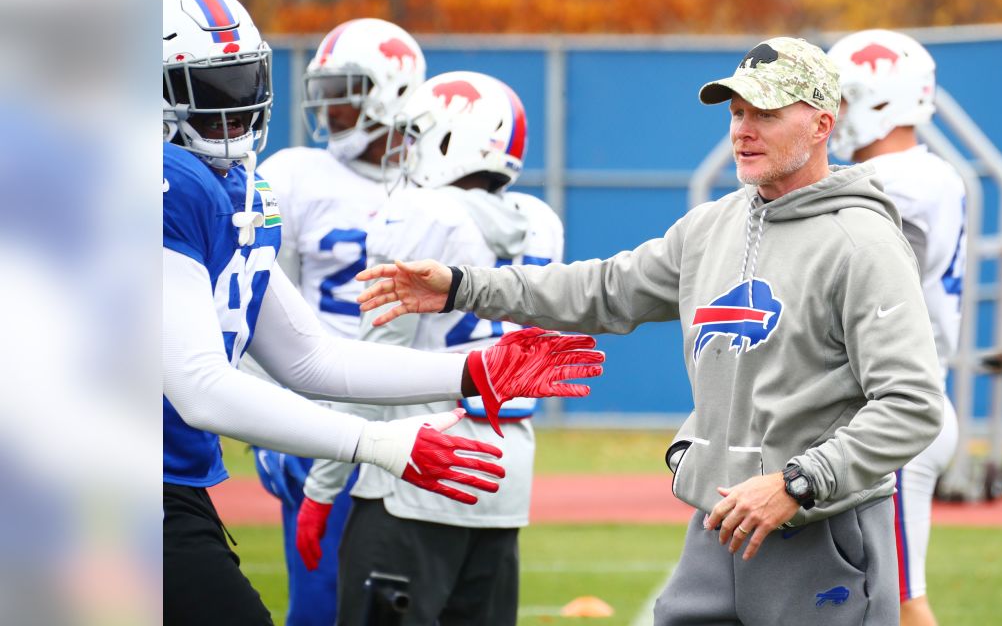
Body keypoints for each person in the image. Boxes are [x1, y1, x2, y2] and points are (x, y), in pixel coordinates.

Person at [355, 36, 946, 625]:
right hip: (717, 529)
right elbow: (603, 289)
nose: (742, 129)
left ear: (822, 124)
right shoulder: (711, 227)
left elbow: (913, 404)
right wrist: (462, 286)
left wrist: (797, 484)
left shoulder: (862, 242)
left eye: (765, 113)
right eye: (737, 112)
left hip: (821, 537)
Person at [161, 0, 604, 625]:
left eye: (241, 84)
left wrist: (471, 371)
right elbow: (201, 386)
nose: (232, 112)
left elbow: (310, 357)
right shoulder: (163, 180)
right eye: (206, 90)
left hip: (173, 480)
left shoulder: (244, 191)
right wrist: (376, 442)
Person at [297, 70, 561, 625]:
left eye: (418, 135)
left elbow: (371, 368)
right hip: (504, 481)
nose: (407, 151)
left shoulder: (420, 215)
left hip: (419, 475)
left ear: (450, 141)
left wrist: (322, 488)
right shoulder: (539, 223)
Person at [247, 16, 427, 626]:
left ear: (393, 95)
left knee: (415, 603)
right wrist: (269, 422)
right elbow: (257, 304)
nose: (328, 106)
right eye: (323, 91)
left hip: (412, 418)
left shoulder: (436, 180)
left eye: (343, 90)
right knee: (322, 605)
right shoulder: (293, 176)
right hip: (319, 417)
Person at [826, 29, 966, 626]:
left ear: (883, 98)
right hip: (894, 405)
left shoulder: (899, 181)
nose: (832, 115)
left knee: (904, 603)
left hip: (896, 412)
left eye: (843, 99)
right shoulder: (925, 173)